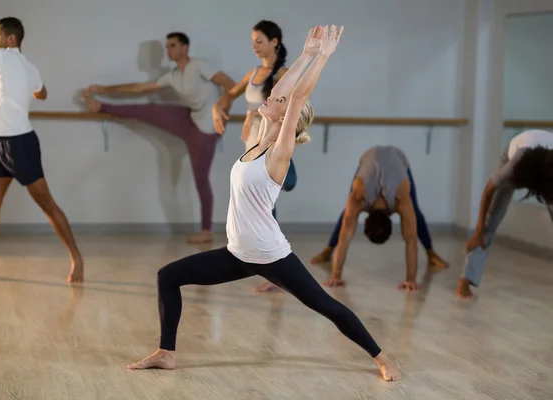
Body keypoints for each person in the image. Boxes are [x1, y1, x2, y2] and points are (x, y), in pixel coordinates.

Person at [125, 25, 400, 382]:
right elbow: (287, 92)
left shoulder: (278, 154)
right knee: (168, 277)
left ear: (287, 118)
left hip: (271, 256)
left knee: (328, 308)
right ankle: (166, 353)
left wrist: (323, 56)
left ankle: (382, 358)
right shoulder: (256, 140)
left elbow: (297, 98)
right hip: (238, 253)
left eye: (280, 101)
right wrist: (304, 52)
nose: (273, 97)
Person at [0, 17, 84, 283]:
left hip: (19, 144)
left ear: (10, 39)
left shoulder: (0, 56)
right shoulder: (29, 67)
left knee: (46, 204)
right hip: (0, 142)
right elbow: (42, 93)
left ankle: (77, 259)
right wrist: (24, 88)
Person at [83, 32, 236, 244]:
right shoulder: (172, 75)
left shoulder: (200, 65)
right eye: (167, 46)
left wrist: (222, 112)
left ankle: (206, 230)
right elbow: (138, 88)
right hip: (188, 119)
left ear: (184, 48)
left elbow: (232, 85)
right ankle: (102, 107)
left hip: (207, 128)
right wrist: (104, 90)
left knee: (201, 179)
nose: (168, 50)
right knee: (150, 109)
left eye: (172, 45)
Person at [313, 145, 448, 290]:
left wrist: (336, 276)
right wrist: (411, 280)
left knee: (414, 212)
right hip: (369, 158)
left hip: (397, 159)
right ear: (365, 221)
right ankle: (328, 250)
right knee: (348, 213)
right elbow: (410, 240)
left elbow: (411, 239)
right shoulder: (360, 197)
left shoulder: (400, 198)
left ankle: (431, 253)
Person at [212, 20, 298, 223]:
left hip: (272, 140)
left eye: (259, 41)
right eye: (253, 41)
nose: (254, 46)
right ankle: (268, 245)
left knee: (278, 186)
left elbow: (282, 107)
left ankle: (287, 166)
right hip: (251, 141)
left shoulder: (283, 74)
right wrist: (217, 107)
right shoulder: (253, 73)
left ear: (274, 42)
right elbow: (230, 95)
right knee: (263, 197)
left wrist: (252, 114)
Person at [457, 129, 553, 299]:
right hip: (515, 153)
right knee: (491, 219)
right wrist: (479, 232)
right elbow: (488, 191)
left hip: (545, 163)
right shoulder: (513, 167)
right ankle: (465, 280)